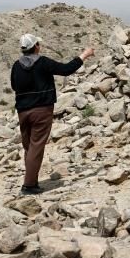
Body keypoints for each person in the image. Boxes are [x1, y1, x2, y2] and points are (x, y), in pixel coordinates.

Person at [10, 34, 94, 195]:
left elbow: (14, 86)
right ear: (36, 46)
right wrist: (84, 55)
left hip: (22, 111)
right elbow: (66, 69)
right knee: (36, 146)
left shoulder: (16, 65)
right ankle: (28, 186)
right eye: (38, 43)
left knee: (29, 147)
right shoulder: (43, 62)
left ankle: (32, 180)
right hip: (41, 110)